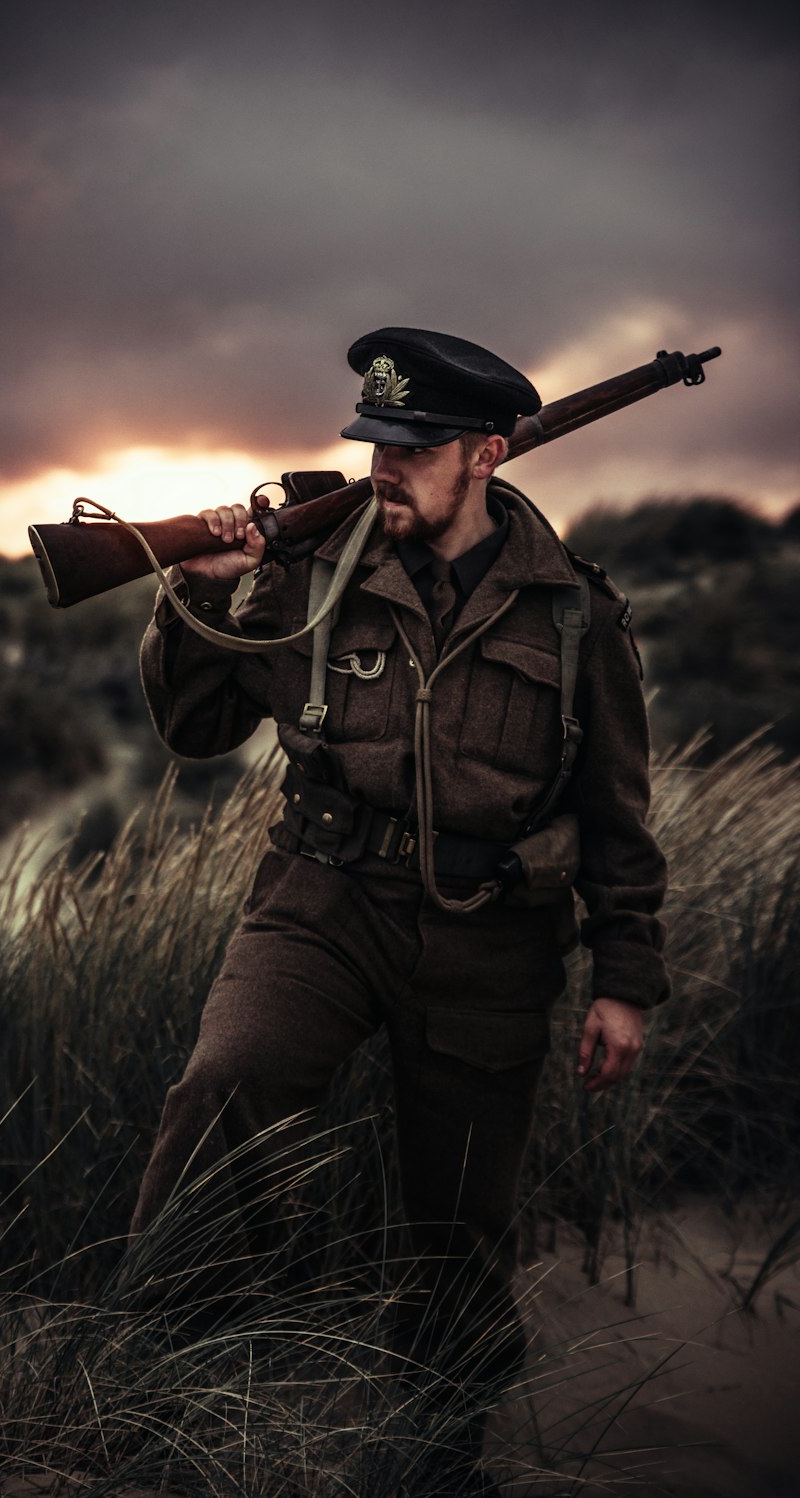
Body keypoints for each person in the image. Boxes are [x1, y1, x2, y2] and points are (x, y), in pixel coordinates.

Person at [131, 327, 669, 1488]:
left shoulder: (574, 615)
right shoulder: (311, 574)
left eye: (413, 449)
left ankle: (437, 1452)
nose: (383, 468)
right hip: (322, 900)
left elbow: (619, 816)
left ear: (485, 454)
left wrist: (625, 980)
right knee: (226, 1087)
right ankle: (154, 1389)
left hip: (494, 936)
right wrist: (193, 595)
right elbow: (195, 731)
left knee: (458, 1226)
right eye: (375, 441)